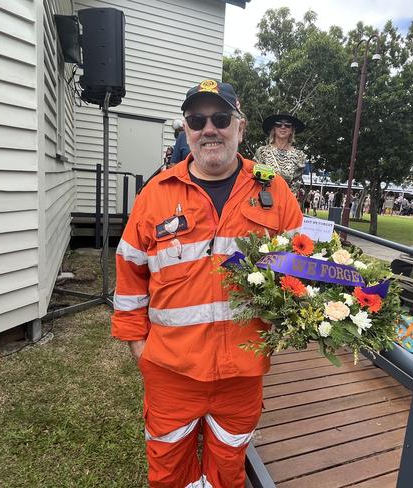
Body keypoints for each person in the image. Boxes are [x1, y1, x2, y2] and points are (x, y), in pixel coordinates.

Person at [112, 79, 303, 487]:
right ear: (186, 129)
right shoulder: (155, 194)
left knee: (228, 473)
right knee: (167, 475)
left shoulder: (274, 189)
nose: (208, 128)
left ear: (241, 126)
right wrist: (140, 351)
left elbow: (299, 270)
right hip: (170, 374)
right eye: (197, 120)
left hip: (242, 375)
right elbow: (130, 274)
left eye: (220, 118)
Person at [254, 112, 306, 193]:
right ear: (274, 128)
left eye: (287, 125)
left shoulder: (299, 156)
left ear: (292, 130)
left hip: (285, 201)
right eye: (278, 124)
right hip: (263, 199)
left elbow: (295, 186)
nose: (283, 127)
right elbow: (253, 179)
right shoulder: (262, 151)